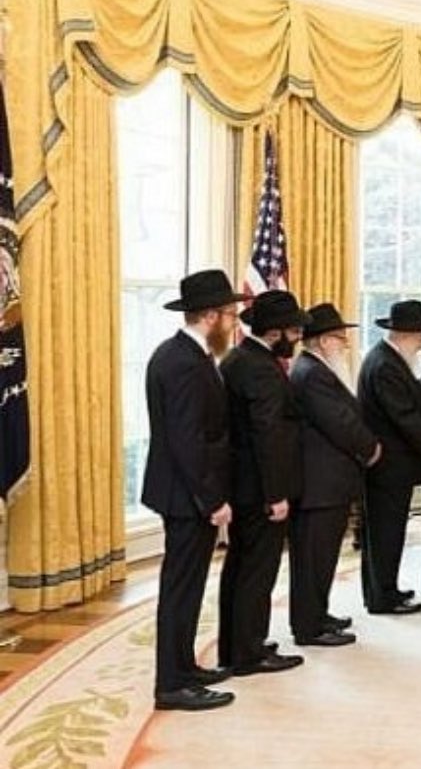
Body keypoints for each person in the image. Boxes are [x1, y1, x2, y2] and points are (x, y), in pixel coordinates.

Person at [142, 269, 243, 711]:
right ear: (210, 315)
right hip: (187, 497)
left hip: (186, 493)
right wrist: (213, 500)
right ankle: (171, 685)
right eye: (229, 314)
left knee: (188, 587)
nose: (233, 322)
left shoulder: (187, 354)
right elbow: (188, 442)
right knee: (181, 590)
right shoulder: (182, 362)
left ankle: (184, 668)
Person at [217, 289, 309, 675]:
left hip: (242, 487)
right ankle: (248, 653)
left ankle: (238, 644)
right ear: (275, 332)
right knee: (257, 571)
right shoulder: (258, 367)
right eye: (293, 331)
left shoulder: (241, 358)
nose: (297, 338)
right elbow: (267, 434)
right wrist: (277, 495)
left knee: (240, 568)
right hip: (259, 490)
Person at [289, 303, 380, 647]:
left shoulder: (315, 368)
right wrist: (370, 447)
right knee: (313, 559)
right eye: (341, 339)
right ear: (325, 341)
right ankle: (309, 627)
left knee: (322, 557)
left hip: (327, 483)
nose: (345, 345)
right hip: (320, 485)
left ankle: (318, 614)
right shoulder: (312, 373)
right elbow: (340, 423)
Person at [359, 300, 421, 614]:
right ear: (406, 334)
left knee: (387, 533)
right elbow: (405, 417)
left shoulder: (388, 359)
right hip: (387, 466)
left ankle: (384, 591)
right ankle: (383, 597)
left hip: (392, 466)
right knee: (385, 533)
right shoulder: (385, 365)